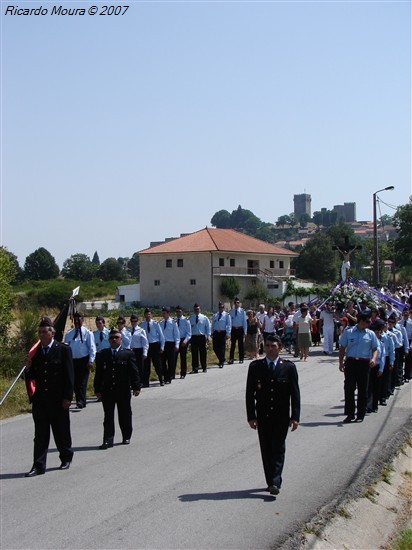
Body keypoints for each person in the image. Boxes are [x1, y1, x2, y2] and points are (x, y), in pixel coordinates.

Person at [245, 334, 300, 495]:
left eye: (273, 346)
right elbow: (250, 394)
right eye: (267, 346)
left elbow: (295, 394)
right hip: (263, 416)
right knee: (266, 449)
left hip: (281, 416)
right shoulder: (256, 367)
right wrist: (251, 416)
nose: (269, 349)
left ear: (280, 348)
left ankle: (275, 481)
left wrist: (295, 416)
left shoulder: (288, 368)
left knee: (278, 448)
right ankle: (270, 481)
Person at [25, 318, 74, 477]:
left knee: (61, 431)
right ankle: (38, 465)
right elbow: (33, 376)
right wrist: (28, 368)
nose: (41, 334)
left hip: (58, 398)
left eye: (44, 332)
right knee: (40, 434)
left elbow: (69, 376)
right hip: (41, 400)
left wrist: (67, 397)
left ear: (52, 333)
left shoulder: (63, 350)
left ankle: (66, 457)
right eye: (39, 332)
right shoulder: (36, 352)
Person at [94, 328, 141, 449]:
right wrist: (97, 389)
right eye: (111, 338)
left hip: (123, 389)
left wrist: (136, 387)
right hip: (108, 390)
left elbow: (133, 371)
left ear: (121, 339)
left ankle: (126, 436)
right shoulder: (103, 354)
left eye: (116, 337)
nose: (114, 340)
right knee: (108, 416)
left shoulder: (127, 353)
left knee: (124, 414)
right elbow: (99, 373)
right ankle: (107, 440)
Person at [339, 312, 378, 423]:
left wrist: (373, 359)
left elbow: (375, 348)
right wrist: (341, 363)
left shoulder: (370, 334)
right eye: (367, 321)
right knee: (349, 388)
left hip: (364, 364)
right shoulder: (349, 332)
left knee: (362, 389)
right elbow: (342, 348)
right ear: (360, 321)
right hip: (351, 363)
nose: (369, 323)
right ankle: (350, 414)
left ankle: (360, 414)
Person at [64, 312, 96, 409]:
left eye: (79, 319)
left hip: (84, 360)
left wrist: (91, 360)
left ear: (83, 320)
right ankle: (79, 399)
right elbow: (66, 348)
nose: (77, 322)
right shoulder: (69, 334)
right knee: (74, 382)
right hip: (72, 361)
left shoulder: (88, 333)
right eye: (76, 320)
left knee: (82, 382)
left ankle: (81, 401)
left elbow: (92, 348)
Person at [139, 308, 165, 387]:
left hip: (155, 345)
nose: (148, 316)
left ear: (151, 315)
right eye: (146, 314)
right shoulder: (142, 325)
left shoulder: (155, 324)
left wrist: (162, 346)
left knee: (157, 364)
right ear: (144, 315)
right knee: (146, 365)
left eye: (149, 314)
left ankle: (161, 379)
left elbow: (161, 336)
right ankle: (145, 382)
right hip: (146, 346)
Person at [160, 306, 180, 383]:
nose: (163, 315)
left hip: (171, 344)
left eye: (164, 313)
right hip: (163, 344)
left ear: (168, 313)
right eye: (162, 313)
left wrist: (176, 345)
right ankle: (165, 377)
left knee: (171, 362)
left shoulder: (173, 322)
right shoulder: (161, 323)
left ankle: (169, 376)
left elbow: (176, 335)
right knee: (163, 362)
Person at [189, 303, 211, 373]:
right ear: (193, 310)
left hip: (201, 337)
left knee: (203, 353)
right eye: (195, 309)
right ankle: (195, 368)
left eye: (197, 309)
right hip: (193, 337)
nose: (196, 310)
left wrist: (208, 336)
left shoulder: (204, 318)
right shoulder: (191, 318)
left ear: (200, 309)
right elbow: (188, 328)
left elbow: (208, 327)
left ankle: (204, 367)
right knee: (194, 353)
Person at [129, 314, 149, 383]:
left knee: (140, 367)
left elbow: (145, 342)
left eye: (135, 321)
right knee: (132, 368)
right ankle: (133, 382)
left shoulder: (141, 330)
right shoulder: (128, 330)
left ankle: (141, 382)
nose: (133, 323)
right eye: (132, 321)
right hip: (131, 351)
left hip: (139, 350)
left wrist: (145, 353)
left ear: (137, 321)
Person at [211, 302, 231, 367]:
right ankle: (222, 358)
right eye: (219, 307)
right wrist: (212, 332)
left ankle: (221, 362)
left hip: (222, 333)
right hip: (216, 333)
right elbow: (213, 325)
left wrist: (228, 333)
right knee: (215, 347)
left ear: (223, 308)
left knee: (222, 348)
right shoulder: (215, 315)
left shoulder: (227, 315)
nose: (221, 308)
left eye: (222, 307)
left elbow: (228, 325)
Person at [174, 305, 192, 379]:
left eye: (180, 311)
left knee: (183, 357)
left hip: (183, 340)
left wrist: (185, 341)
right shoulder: (173, 320)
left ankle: (183, 373)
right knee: (173, 358)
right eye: (177, 311)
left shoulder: (186, 320)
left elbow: (189, 333)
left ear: (182, 312)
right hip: (175, 340)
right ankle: (172, 373)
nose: (178, 313)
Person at [228, 297, 247, 364]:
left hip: (240, 329)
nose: (236, 304)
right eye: (235, 302)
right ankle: (231, 359)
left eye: (238, 303)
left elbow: (244, 321)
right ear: (234, 303)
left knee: (240, 344)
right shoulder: (231, 311)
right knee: (232, 345)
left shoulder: (242, 311)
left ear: (239, 304)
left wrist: (245, 331)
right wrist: (229, 331)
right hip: (233, 329)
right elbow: (229, 322)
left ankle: (241, 358)